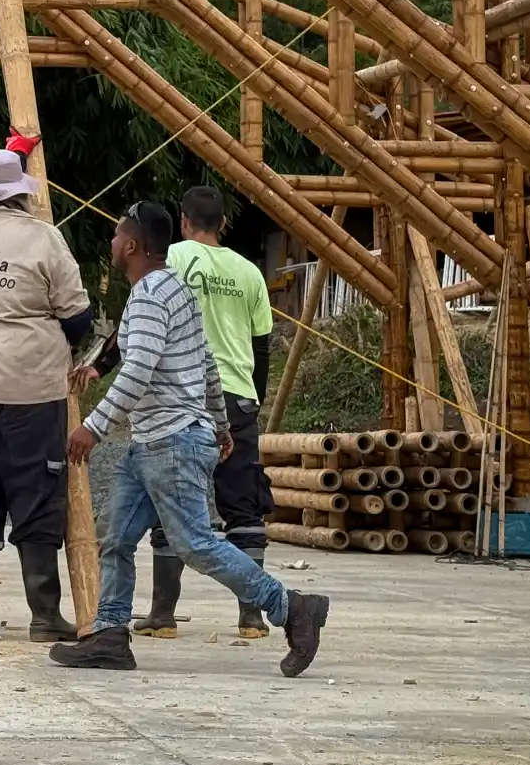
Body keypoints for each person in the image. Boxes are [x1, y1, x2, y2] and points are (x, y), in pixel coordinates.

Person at [51, 201, 325, 676]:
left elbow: (139, 367)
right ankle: (112, 636)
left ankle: (291, 607)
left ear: (133, 245)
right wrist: (220, 425)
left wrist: (92, 427)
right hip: (155, 443)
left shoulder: (151, 296)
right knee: (114, 539)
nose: (112, 244)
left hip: (171, 443)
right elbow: (207, 366)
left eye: (117, 236)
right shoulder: (175, 289)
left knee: (195, 543)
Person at [0, 146, 93, 643]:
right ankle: (45, 615)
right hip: (29, 385)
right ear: (21, 193)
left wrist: (14, 151)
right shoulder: (44, 240)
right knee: (35, 490)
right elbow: (78, 319)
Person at [135, 184, 276, 638]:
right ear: (224, 223)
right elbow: (261, 345)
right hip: (236, 398)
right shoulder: (250, 273)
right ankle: (252, 618)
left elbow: (148, 329)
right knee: (244, 509)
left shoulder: (171, 260)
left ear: (183, 221)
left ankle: (163, 616)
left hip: (182, 399)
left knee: (171, 505)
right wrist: (252, 401)